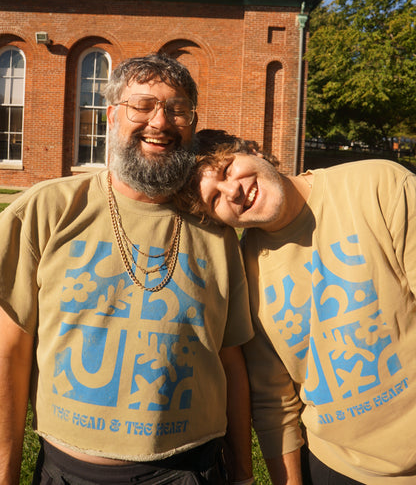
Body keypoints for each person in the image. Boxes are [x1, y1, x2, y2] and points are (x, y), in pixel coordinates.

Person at [0, 57, 254, 485]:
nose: (161, 121)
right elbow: (9, 353)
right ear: (111, 115)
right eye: (143, 105)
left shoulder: (216, 231)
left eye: (178, 109)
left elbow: (232, 361)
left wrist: (245, 475)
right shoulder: (47, 209)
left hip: (191, 469)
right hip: (69, 472)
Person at [176, 128, 416, 485]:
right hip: (338, 467)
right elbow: (275, 404)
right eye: (215, 199)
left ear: (254, 150)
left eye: (227, 170)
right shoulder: (244, 272)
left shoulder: (378, 185)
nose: (234, 191)